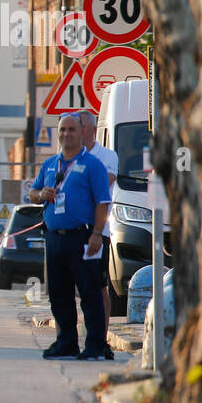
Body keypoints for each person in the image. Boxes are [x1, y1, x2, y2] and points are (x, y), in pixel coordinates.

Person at [29, 112, 113, 360]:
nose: (66, 134)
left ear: (82, 132)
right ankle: (66, 342)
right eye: (62, 129)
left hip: (82, 238)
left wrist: (97, 234)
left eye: (71, 130)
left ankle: (96, 345)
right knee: (59, 293)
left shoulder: (93, 165)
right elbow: (32, 193)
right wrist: (41, 194)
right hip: (55, 238)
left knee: (89, 292)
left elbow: (102, 203)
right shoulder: (50, 164)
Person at [79, 109, 118, 322]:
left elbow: (106, 182)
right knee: (77, 287)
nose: (78, 131)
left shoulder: (107, 156)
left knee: (99, 286)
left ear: (93, 130)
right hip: (73, 231)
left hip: (97, 231)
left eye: (82, 126)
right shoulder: (68, 157)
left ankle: (101, 337)